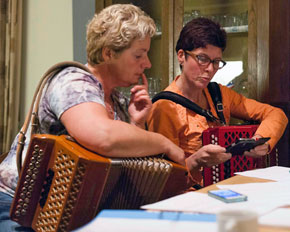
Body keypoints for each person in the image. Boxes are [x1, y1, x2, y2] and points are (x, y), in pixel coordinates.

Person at [0, 5, 228, 231]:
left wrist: (136, 123)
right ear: (108, 53)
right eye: (139, 55)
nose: (147, 63)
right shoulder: (72, 80)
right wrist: (165, 144)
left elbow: (124, 168)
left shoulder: (116, 100)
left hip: (64, 214)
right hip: (18, 211)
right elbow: (103, 137)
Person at [147, 17, 288, 185]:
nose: (210, 69)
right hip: (189, 197)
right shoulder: (164, 107)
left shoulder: (218, 93)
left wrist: (262, 141)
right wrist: (195, 161)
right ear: (181, 56)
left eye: (216, 62)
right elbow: (163, 180)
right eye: (202, 59)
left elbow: (276, 114)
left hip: (227, 188)